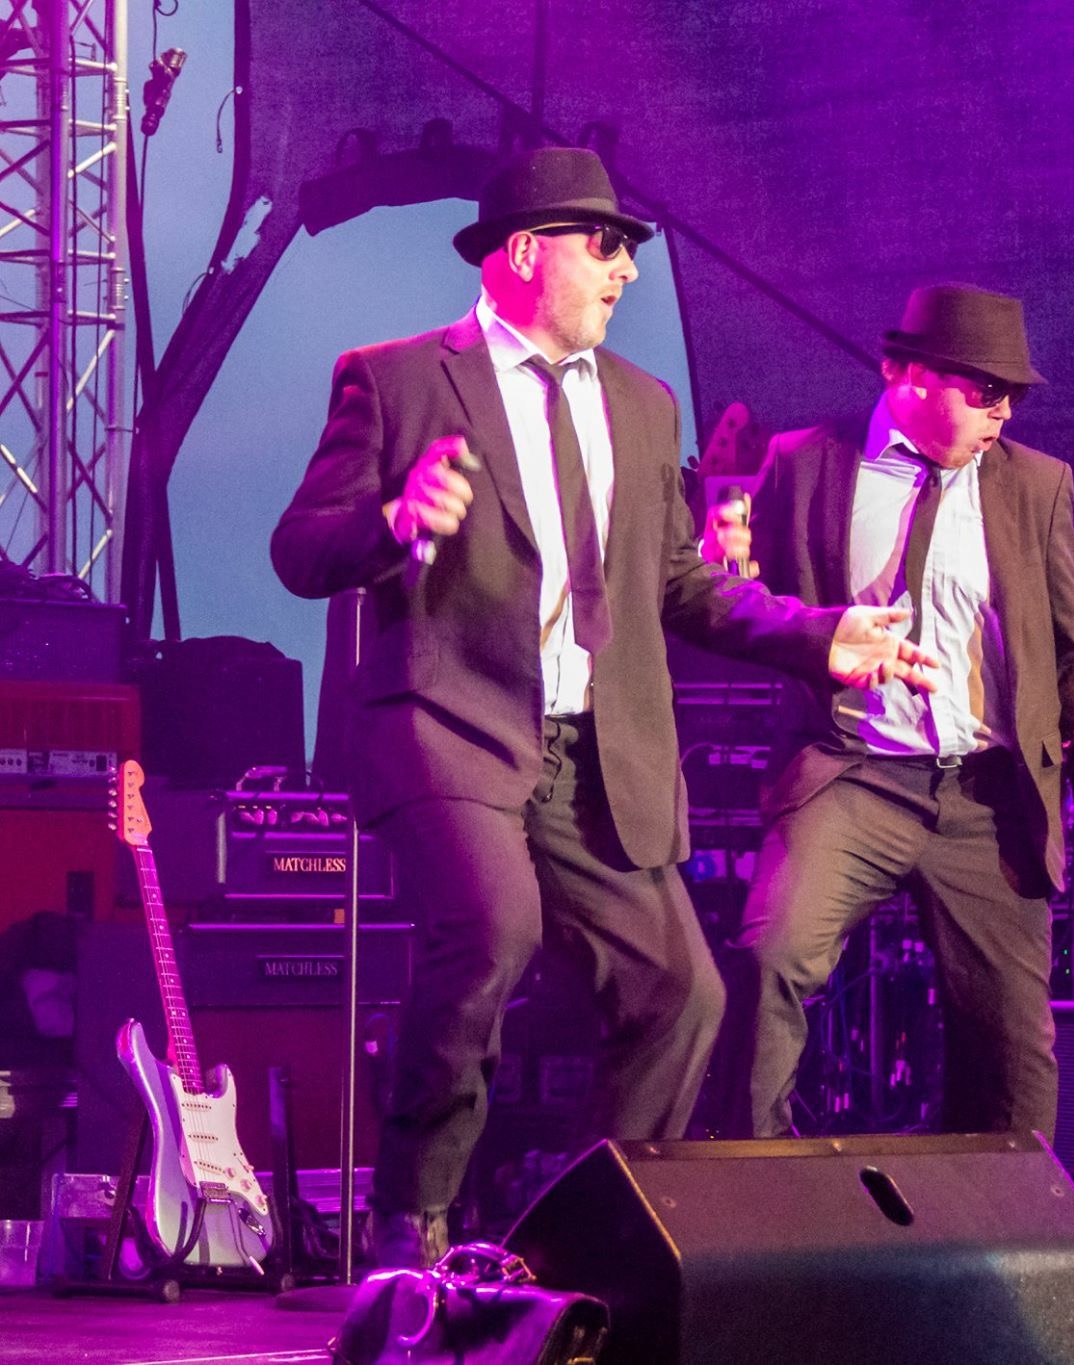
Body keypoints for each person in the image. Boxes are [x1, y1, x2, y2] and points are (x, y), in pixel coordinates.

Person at [270, 146, 936, 1267]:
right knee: (494, 929)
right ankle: (413, 1222)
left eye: (628, 250)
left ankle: (585, 1246)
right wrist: (394, 522)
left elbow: (681, 582)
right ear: (527, 253)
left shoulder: (643, 402)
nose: (626, 270)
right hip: (452, 725)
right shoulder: (395, 380)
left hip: (594, 751)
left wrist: (819, 636)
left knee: (681, 992)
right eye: (607, 246)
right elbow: (299, 550)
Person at [729, 283, 1074, 1138]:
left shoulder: (1035, 484)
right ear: (906, 373)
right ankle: (744, 1185)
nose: (1004, 411)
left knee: (1015, 1051)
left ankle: (1004, 1217)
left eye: (1015, 394)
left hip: (983, 791)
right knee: (772, 955)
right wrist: (733, 573)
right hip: (851, 771)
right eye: (986, 389)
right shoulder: (805, 461)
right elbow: (746, 606)